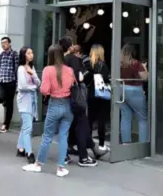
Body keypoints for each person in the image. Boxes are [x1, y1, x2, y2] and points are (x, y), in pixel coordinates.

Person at [22, 44, 75, 177]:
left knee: (47, 136)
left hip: (54, 104)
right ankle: (61, 168)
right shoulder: (69, 70)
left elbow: (44, 90)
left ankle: (39, 164)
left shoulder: (48, 70)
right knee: (64, 136)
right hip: (68, 106)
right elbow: (73, 85)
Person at [60, 37, 103, 166]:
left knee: (68, 126)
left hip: (63, 97)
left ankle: (66, 154)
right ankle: (84, 157)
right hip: (75, 97)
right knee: (82, 126)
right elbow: (79, 77)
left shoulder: (60, 60)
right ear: (70, 46)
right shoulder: (74, 59)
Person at [120, 43, 149, 143]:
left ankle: (126, 144)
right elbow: (145, 77)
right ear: (133, 52)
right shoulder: (136, 63)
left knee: (125, 117)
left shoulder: (119, 63)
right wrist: (145, 67)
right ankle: (142, 144)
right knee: (142, 119)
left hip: (121, 89)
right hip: (135, 90)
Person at [16, 46, 40, 164]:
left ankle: (20, 148)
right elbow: (22, 86)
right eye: (29, 53)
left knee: (25, 126)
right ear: (24, 55)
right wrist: (34, 87)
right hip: (24, 101)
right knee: (28, 128)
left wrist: (33, 74)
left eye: (32, 52)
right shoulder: (21, 69)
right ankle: (29, 152)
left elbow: (38, 82)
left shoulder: (31, 67)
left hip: (32, 100)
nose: (31, 55)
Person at [86, 44, 111, 151]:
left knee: (90, 120)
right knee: (102, 120)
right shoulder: (103, 65)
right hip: (101, 95)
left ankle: (88, 142)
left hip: (90, 95)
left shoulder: (87, 64)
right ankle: (101, 144)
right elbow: (107, 79)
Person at [0, 36, 19, 133]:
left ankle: (6, 124)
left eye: (5, 42)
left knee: (10, 104)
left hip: (11, 81)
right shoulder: (1, 55)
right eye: (2, 43)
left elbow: (16, 69)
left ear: (9, 43)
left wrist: (17, 83)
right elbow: (0, 67)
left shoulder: (14, 54)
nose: (3, 44)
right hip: (2, 81)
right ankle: (4, 100)